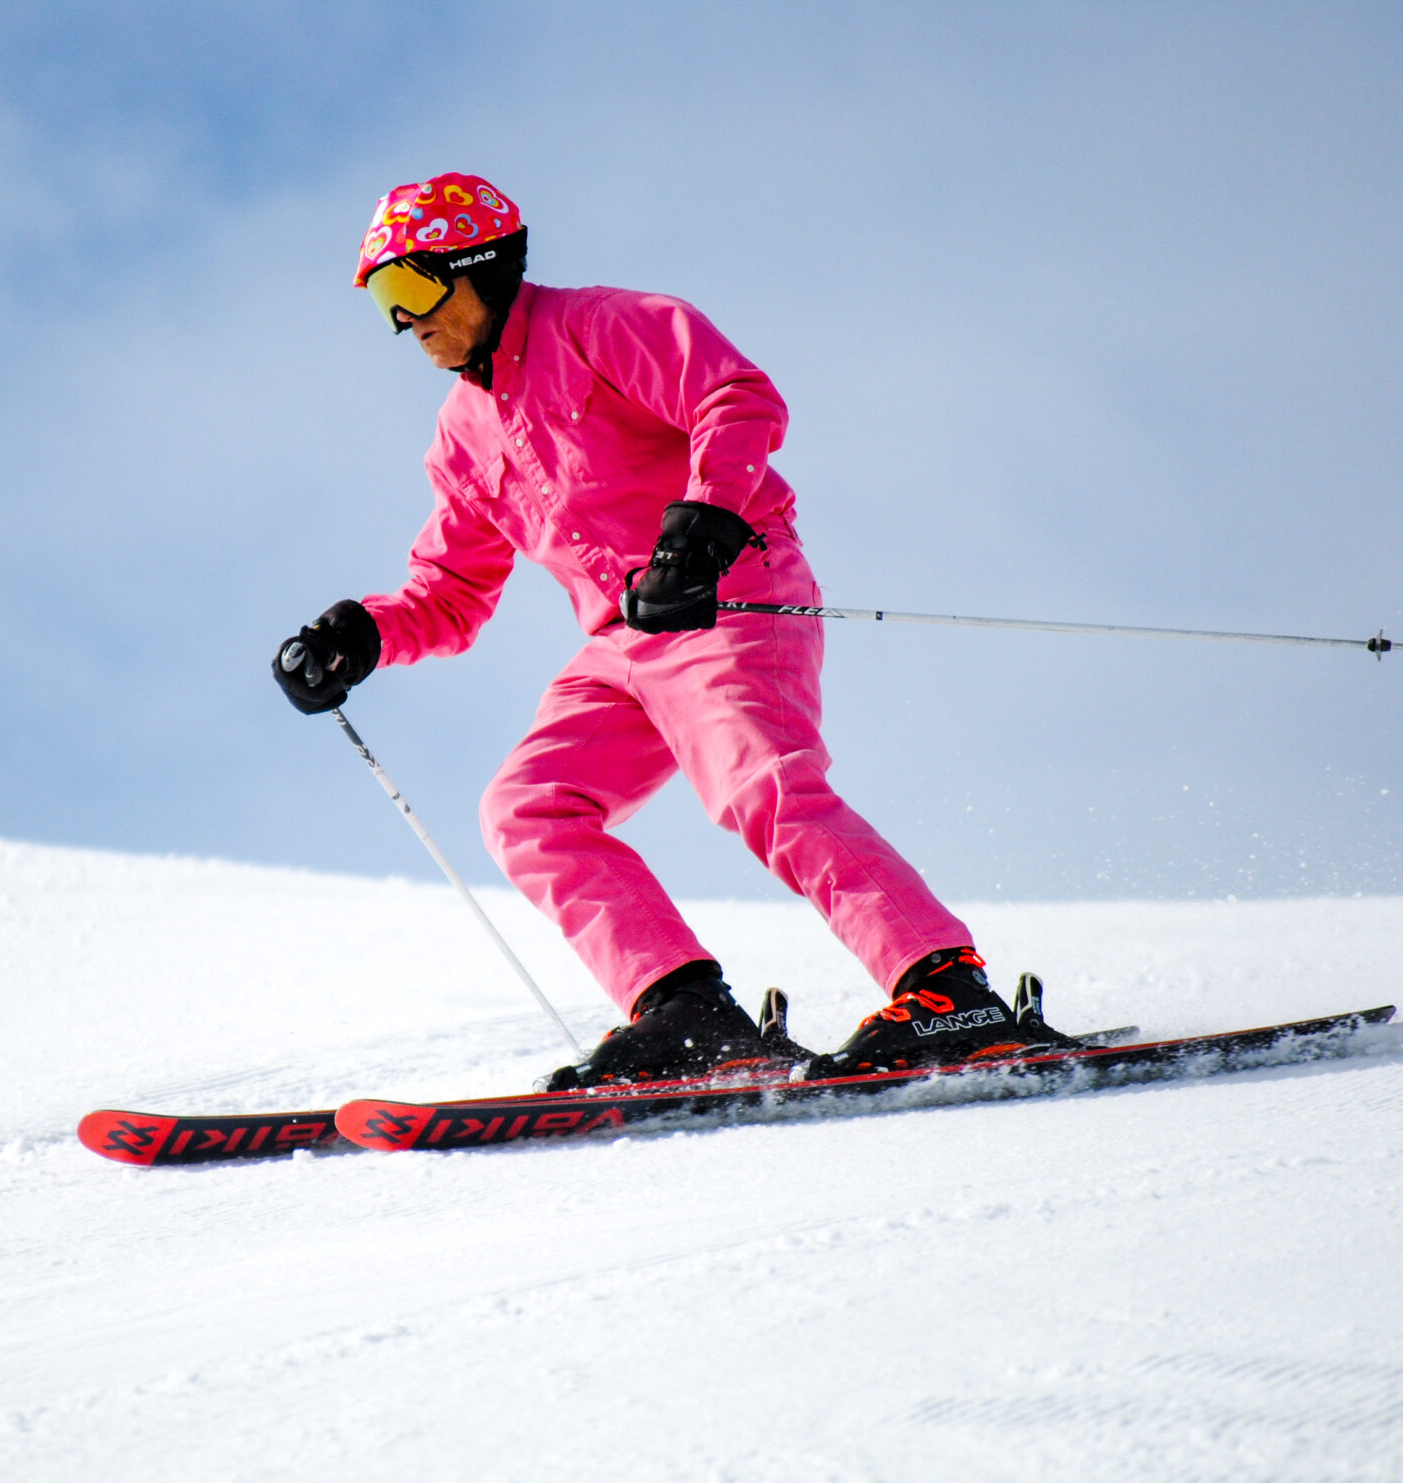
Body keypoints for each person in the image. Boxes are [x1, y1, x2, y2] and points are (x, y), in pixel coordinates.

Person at [274, 172, 1074, 1083]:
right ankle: (687, 1010)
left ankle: (945, 991)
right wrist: (363, 635)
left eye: (411, 289)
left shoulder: (602, 325)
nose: (402, 323)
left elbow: (735, 399)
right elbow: (450, 591)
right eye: (384, 302)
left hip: (727, 588)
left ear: (479, 269)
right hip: (622, 642)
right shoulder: (462, 435)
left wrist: (702, 527)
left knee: (757, 784)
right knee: (528, 808)